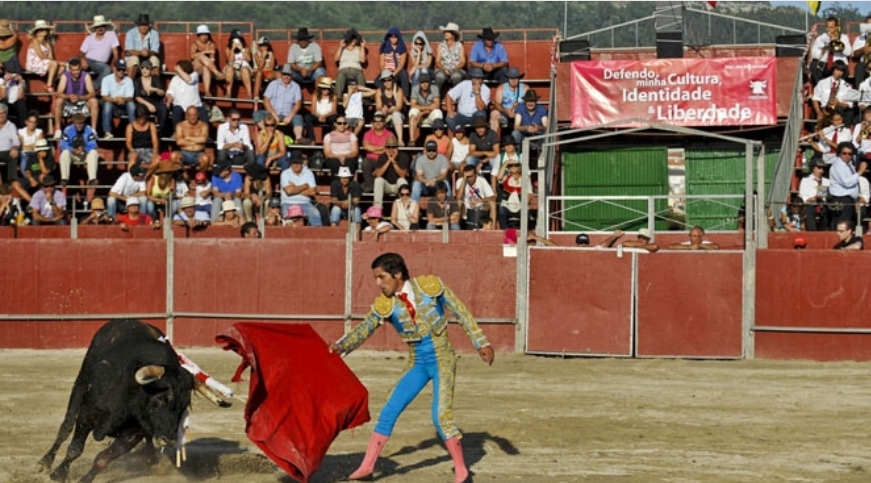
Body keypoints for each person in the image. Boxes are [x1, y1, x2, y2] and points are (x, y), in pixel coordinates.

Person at [329, 252, 494, 482]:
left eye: (382, 277)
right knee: (389, 411)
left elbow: (461, 311)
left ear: (397, 275)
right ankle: (367, 466)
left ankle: (462, 470)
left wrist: (481, 342)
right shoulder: (385, 305)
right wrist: (341, 346)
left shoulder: (430, 287)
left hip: (442, 360)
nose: (378, 284)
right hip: (417, 363)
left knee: (440, 417)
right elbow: (364, 328)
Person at [52, 57, 99, 139]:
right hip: (69, 103)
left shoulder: (85, 75)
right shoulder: (65, 76)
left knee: (94, 101)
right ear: (70, 69)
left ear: (80, 68)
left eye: (77, 70)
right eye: (73, 70)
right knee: (59, 101)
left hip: (82, 102)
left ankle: (93, 131)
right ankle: (58, 130)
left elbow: (92, 93)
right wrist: (68, 96)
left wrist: (80, 98)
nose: (76, 72)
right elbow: (59, 93)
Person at [257, 64, 304, 140]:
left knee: (298, 117)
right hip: (273, 113)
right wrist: (274, 114)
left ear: (291, 75)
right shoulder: (273, 84)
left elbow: (298, 104)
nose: (286, 76)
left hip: (287, 115)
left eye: (288, 74)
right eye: (284, 74)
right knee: (257, 114)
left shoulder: (296, 86)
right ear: (281, 74)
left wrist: (290, 115)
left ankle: (298, 139)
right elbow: (266, 100)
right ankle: (267, 133)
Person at [58, 112, 99, 201]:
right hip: (72, 154)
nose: (79, 125)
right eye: (77, 123)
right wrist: (73, 149)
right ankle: (65, 178)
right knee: (64, 153)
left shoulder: (89, 130)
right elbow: (62, 144)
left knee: (93, 152)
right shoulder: (68, 130)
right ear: (74, 122)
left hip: (85, 154)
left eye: (81, 123)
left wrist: (84, 149)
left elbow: (93, 144)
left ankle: (92, 178)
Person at [280, 150, 322, 226]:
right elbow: (288, 191)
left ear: (302, 163)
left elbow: (313, 192)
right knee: (287, 222)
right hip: (288, 203)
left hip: (305, 203)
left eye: (298, 162)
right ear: (291, 163)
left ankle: (317, 236)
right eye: (294, 162)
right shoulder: (285, 174)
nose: (296, 165)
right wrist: (304, 186)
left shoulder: (309, 173)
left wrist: (294, 188)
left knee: (316, 214)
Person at [811, 61, 859, 128]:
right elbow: (815, 99)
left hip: (839, 111)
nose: (839, 73)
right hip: (825, 109)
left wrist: (838, 103)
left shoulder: (847, 86)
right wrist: (819, 113)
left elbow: (849, 105)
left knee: (848, 112)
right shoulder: (822, 83)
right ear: (833, 70)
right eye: (837, 70)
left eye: (841, 71)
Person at [79, 15, 120, 91]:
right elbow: (81, 53)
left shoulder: (111, 35)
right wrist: (82, 59)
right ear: (95, 28)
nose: (100, 28)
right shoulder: (89, 38)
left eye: (102, 26)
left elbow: (116, 53)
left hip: (100, 64)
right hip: (88, 60)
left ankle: (93, 89)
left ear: (105, 26)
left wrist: (116, 64)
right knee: (73, 65)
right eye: (97, 27)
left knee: (107, 69)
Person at [368, 134, 410, 208]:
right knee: (378, 180)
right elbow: (378, 174)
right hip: (386, 186)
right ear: (385, 148)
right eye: (388, 147)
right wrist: (388, 160)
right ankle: (378, 209)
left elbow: (403, 175)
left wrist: (393, 161)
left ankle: (404, 208)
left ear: (397, 148)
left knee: (402, 180)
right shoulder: (382, 157)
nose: (391, 149)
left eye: (393, 147)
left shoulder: (404, 156)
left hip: (398, 186)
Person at [166, 60, 208, 130]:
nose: (177, 70)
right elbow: (170, 92)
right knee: (176, 112)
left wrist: (179, 70)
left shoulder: (194, 75)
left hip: (195, 105)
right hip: (179, 105)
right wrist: (169, 100)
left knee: (203, 115)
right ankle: (176, 132)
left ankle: (206, 133)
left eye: (179, 68)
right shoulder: (175, 78)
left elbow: (189, 80)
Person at [810, 16, 853, 84]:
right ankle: (820, 87)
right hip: (825, 65)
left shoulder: (843, 37)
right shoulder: (821, 38)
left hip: (838, 64)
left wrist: (837, 42)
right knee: (814, 65)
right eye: (827, 27)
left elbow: (849, 52)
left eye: (831, 27)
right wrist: (822, 51)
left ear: (836, 27)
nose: (829, 30)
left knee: (843, 70)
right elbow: (813, 53)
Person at [445, 67, 490, 132]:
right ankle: (459, 132)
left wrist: (477, 93)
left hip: (475, 116)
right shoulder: (464, 84)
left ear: (482, 79)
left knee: (481, 114)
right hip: (461, 115)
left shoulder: (486, 89)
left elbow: (480, 107)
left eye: (479, 78)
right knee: (449, 118)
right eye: (475, 78)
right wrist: (449, 110)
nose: (477, 80)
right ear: (472, 78)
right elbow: (449, 95)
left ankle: (475, 137)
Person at [827, 141, 860, 228]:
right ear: (839, 153)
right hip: (841, 200)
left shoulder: (848, 165)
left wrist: (856, 199)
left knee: (847, 226)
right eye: (844, 153)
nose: (847, 156)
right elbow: (847, 182)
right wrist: (860, 172)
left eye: (850, 154)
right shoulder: (839, 165)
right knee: (842, 226)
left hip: (848, 200)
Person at [100, 59, 135, 139]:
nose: (121, 71)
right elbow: (104, 96)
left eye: (123, 69)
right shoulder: (106, 79)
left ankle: (133, 130)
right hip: (112, 105)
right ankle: (107, 132)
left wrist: (123, 99)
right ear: (114, 68)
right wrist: (114, 100)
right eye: (119, 69)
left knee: (131, 105)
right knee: (107, 104)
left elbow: (130, 97)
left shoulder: (129, 80)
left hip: (124, 104)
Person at [132, 59, 168, 137]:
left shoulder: (155, 78)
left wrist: (155, 89)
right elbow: (137, 97)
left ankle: (160, 130)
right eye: (142, 68)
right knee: (140, 109)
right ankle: (141, 131)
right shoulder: (137, 81)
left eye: (147, 68)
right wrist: (148, 105)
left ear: (151, 70)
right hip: (143, 102)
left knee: (163, 108)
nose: (144, 70)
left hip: (155, 101)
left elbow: (162, 92)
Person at [25, 20, 63, 93]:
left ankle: (52, 83)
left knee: (62, 67)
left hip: (44, 63)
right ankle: (49, 85)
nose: (44, 31)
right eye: (42, 30)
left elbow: (51, 58)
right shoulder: (35, 40)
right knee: (56, 64)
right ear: (37, 32)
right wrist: (59, 63)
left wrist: (58, 63)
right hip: (34, 64)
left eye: (46, 29)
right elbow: (41, 56)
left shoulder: (48, 42)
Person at [455, 164, 495, 229]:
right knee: (459, 202)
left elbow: (493, 197)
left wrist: (480, 200)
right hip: (466, 208)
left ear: (476, 174)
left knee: (492, 203)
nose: (469, 179)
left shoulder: (482, 180)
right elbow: (458, 197)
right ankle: (457, 228)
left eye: (471, 176)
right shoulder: (460, 181)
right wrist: (464, 179)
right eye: (467, 176)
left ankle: (492, 229)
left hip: (481, 206)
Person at [408, 71, 442, 146]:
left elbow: (436, 105)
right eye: (422, 82)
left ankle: (438, 140)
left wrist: (423, 112)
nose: (424, 85)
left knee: (438, 112)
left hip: (428, 114)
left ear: (429, 82)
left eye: (426, 82)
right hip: (419, 115)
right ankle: (412, 139)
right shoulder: (415, 89)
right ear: (419, 83)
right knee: (412, 111)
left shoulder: (434, 88)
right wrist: (428, 107)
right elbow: (413, 105)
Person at [190, 24, 224, 97]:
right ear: (199, 35)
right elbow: (192, 56)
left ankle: (207, 91)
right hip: (196, 67)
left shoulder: (211, 44)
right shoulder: (195, 44)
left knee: (206, 67)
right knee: (200, 56)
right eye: (203, 35)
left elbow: (212, 57)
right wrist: (204, 52)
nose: (205, 37)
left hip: (207, 67)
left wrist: (211, 60)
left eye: (206, 34)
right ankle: (216, 72)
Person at [174, 105, 211, 173]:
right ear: (186, 115)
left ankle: (200, 177)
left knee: (205, 159)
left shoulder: (203, 125)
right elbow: (179, 142)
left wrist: (188, 138)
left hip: (199, 153)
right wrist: (197, 141)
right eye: (190, 115)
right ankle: (184, 176)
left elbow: (204, 140)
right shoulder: (180, 125)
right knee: (174, 156)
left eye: (194, 115)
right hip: (184, 153)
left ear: (198, 114)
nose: (192, 117)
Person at [490, 67, 526, 134]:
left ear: (519, 78)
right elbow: (497, 104)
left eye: (515, 78)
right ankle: (494, 140)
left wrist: (520, 107)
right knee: (494, 114)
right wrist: (505, 111)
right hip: (505, 113)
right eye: (511, 78)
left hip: (520, 114)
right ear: (508, 78)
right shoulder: (501, 88)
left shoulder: (525, 88)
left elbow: (530, 103)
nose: (513, 80)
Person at [375, 70, 406, 146]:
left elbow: (399, 107)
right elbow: (378, 106)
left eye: (389, 80)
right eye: (384, 81)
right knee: (377, 114)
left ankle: (400, 140)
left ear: (392, 80)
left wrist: (389, 110)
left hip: (398, 114)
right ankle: (376, 139)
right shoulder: (379, 91)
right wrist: (382, 110)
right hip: (385, 114)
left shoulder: (399, 90)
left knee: (396, 114)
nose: (387, 82)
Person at [376, 28, 409, 98]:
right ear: (388, 37)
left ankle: (404, 96)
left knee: (404, 74)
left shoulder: (402, 47)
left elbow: (401, 65)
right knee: (377, 81)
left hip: (397, 71)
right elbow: (382, 64)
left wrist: (393, 74)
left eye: (395, 37)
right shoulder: (384, 47)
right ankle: (386, 96)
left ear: (398, 37)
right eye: (391, 37)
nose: (393, 39)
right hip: (387, 71)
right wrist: (385, 74)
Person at [124, 14, 160, 78]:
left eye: (146, 25)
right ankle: (129, 85)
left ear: (149, 25)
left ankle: (156, 85)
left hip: (149, 57)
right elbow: (130, 51)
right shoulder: (130, 33)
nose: (144, 27)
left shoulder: (154, 34)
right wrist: (141, 53)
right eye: (141, 25)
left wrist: (148, 53)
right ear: (138, 25)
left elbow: (155, 51)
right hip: (134, 56)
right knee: (134, 60)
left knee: (155, 60)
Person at [124, 105, 159, 172]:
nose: (142, 121)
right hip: (136, 149)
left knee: (156, 159)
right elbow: (128, 142)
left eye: (143, 119)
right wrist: (132, 150)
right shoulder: (130, 126)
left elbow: (155, 141)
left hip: (149, 150)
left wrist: (155, 153)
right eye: (139, 119)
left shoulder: (151, 125)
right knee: (132, 157)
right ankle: (131, 177)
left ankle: (150, 177)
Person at [334, 28, 366, 100]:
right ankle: (338, 97)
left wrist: (362, 47)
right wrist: (340, 47)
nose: (354, 40)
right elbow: (336, 59)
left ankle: (363, 97)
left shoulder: (359, 48)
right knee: (340, 75)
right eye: (352, 38)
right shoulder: (343, 49)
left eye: (355, 39)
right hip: (343, 69)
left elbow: (363, 60)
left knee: (360, 76)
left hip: (356, 69)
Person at [434, 21, 466, 92]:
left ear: (453, 34)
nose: (445, 33)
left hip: (456, 69)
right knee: (439, 76)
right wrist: (443, 68)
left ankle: (457, 97)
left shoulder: (460, 46)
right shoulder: (440, 45)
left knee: (456, 76)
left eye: (448, 32)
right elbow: (437, 61)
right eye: (445, 32)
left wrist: (455, 69)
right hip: (443, 69)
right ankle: (435, 97)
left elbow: (463, 61)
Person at [223, 29, 253, 99]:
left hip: (244, 67)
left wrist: (242, 49)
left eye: (238, 39)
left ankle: (249, 94)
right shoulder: (228, 48)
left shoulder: (246, 47)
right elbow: (229, 61)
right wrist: (233, 49)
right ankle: (228, 93)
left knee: (245, 69)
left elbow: (249, 59)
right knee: (230, 69)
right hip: (232, 67)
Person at [0, 103, 20, 184]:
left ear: (6, 114)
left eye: (3, 113)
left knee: (14, 154)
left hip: (6, 151)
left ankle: (12, 180)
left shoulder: (11, 126)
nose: (1, 115)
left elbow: (16, 140)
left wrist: (15, 147)